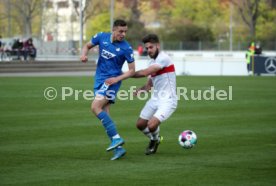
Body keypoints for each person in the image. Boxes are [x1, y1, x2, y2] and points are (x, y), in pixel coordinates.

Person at [80, 19, 135, 160]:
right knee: (106, 114)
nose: (123, 34)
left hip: (112, 82)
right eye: (120, 31)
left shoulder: (126, 48)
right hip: (99, 80)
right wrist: (84, 54)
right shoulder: (101, 37)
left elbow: (132, 71)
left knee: (95, 107)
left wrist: (116, 79)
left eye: (125, 32)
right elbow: (86, 46)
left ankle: (116, 139)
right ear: (113, 30)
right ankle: (119, 148)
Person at [132, 34, 177, 155]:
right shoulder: (151, 61)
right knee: (140, 124)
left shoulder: (164, 58)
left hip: (168, 100)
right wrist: (142, 89)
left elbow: (145, 72)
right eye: (147, 48)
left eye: (151, 47)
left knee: (151, 125)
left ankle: (155, 140)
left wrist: (126, 74)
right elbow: (150, 82)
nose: (148, 50)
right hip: (155, 98)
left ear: (158, 46)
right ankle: (155, 139)